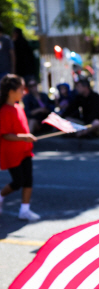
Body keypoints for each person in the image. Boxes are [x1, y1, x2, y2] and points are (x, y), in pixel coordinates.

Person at [0, 74, 40, 221]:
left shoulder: (19, 107)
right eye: (21, 89)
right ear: (11, 91)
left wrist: (28, 136)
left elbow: (23, 128)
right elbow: (5, 135)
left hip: (25, 150)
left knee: (28, 180)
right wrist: (24, 137)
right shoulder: (4, 110)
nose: (24, 92)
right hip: (12, 152)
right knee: (18, 182)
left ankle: (25, 209)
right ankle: (1, 195)